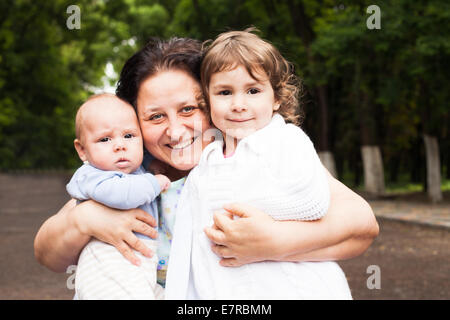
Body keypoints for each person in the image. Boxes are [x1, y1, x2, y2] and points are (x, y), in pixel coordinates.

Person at [34, 37, 379, 299]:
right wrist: (85, 219)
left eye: (188, 109)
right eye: (155, 116)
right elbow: (47, 252)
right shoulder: (128, 176)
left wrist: (275, 242)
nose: (175, 131)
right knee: (99, 245)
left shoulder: (250, 156)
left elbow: (361, 224)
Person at [165, 30, 351, 299]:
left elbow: (314, 203)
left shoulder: (286, 140)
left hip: (301, 289)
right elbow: (191, 248)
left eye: (253, 90)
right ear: (207, 99)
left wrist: (257, 227)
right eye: (225, 92)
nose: (239, 104)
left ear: (275, 97)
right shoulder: (207, 163)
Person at [66, 93, 170, 299]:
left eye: (129, 136)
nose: (120, 145)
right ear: (82, 150)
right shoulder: (91, 176)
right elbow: (123, 195)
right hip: (109, 261)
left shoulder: (133, 168)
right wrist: (154, 182)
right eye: (105, 139)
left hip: (138, 264)